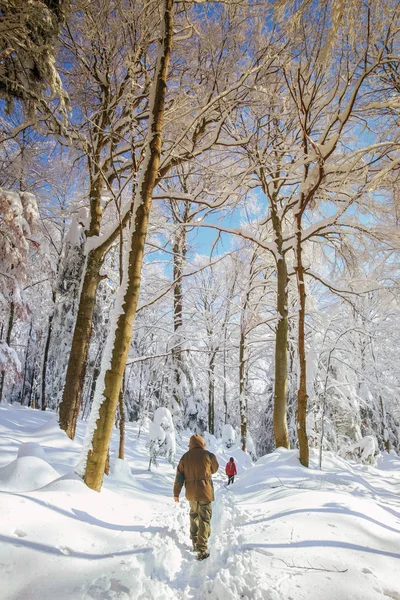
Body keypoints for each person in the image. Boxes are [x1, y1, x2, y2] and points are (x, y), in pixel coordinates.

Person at [173, 434, 219, 561]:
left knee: (194, 516)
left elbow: (179, 477)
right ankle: (202, 549)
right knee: (204, 519)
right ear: (202, 444)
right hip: (205, 492)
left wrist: (176, 493)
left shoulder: (184, 457)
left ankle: (194, 541)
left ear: (191, 445)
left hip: (191, 494)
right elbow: (215, 469)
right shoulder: (208, 455)